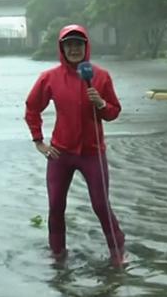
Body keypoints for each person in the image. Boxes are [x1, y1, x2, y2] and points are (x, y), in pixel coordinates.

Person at [24, 24, 126, 266]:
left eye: (78, 44)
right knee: (56, 206)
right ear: (62, 48)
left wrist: (101, 103)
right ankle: (58, 255)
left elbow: (113, 112)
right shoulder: (49, 78)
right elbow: (32, 107)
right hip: (61, 153)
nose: (73, 48)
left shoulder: (100, 76)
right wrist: (39, 141)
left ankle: (118, 251)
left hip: (93, 153)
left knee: (101, 205)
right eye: (68, 44)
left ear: (86, 46)